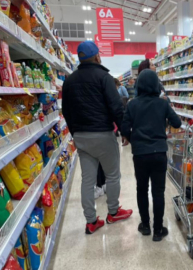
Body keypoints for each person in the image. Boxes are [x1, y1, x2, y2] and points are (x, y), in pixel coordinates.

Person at [62, 41, 133, 235]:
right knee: (112, 175)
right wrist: (125, 132)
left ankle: (91, 221)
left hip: (81, 137)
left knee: (87, 180)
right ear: (97, 57)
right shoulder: (104, 77)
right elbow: (116, 107)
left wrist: (74, 133)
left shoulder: (69, 80)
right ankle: (113, 212)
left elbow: (65, 111)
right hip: (102, 134)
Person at [121, 69, 181, 242]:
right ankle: (158, 230)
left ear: (138, 84)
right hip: (159, 152)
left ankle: (145, 225)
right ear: (156, 85)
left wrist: (135, 141)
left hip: (140, 154)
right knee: (158, 192)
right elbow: (177, 122)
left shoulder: (132, 104)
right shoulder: (162, 104)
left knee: (142, 189)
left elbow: (124, 129)